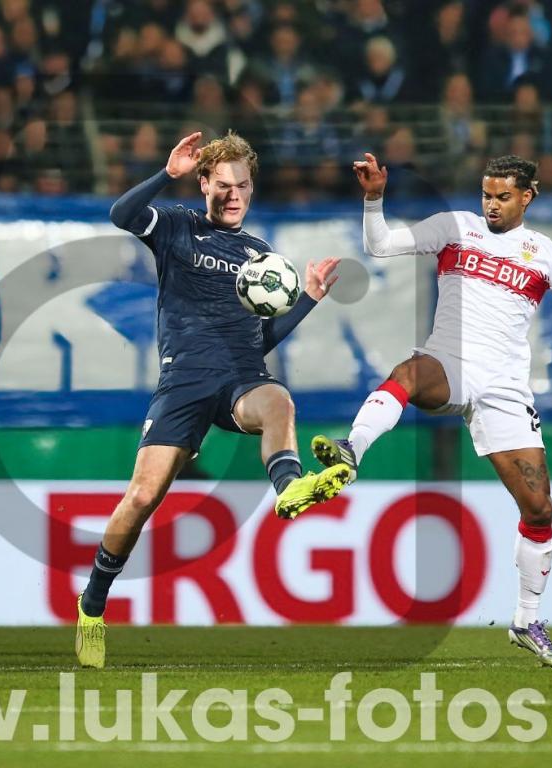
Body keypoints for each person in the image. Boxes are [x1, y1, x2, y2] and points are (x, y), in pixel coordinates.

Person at [312, 153, 552, 667]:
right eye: (486, 195)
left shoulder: (546, 254)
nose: (491, 205)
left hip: (504, 390)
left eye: (502, 196)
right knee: (408, 372)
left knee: (539, 510)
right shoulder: (456, 227)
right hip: (449, 363)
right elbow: (380, 245)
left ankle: (526, 619)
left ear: (527, 197)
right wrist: (373, 198)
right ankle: (352, 449)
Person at [76, 132, 348, 668]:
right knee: (142, 498)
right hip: (183, 381)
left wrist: (309, 299)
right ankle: (93, 604)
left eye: (242, 185)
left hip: (240, 379)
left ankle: (289, 488)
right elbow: (120, 214)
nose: (233, 195)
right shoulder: (177, 226)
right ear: (204, 183)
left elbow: (260, 339)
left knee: (279, 402)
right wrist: (166, 174)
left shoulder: (261, 257)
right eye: (222, 184)